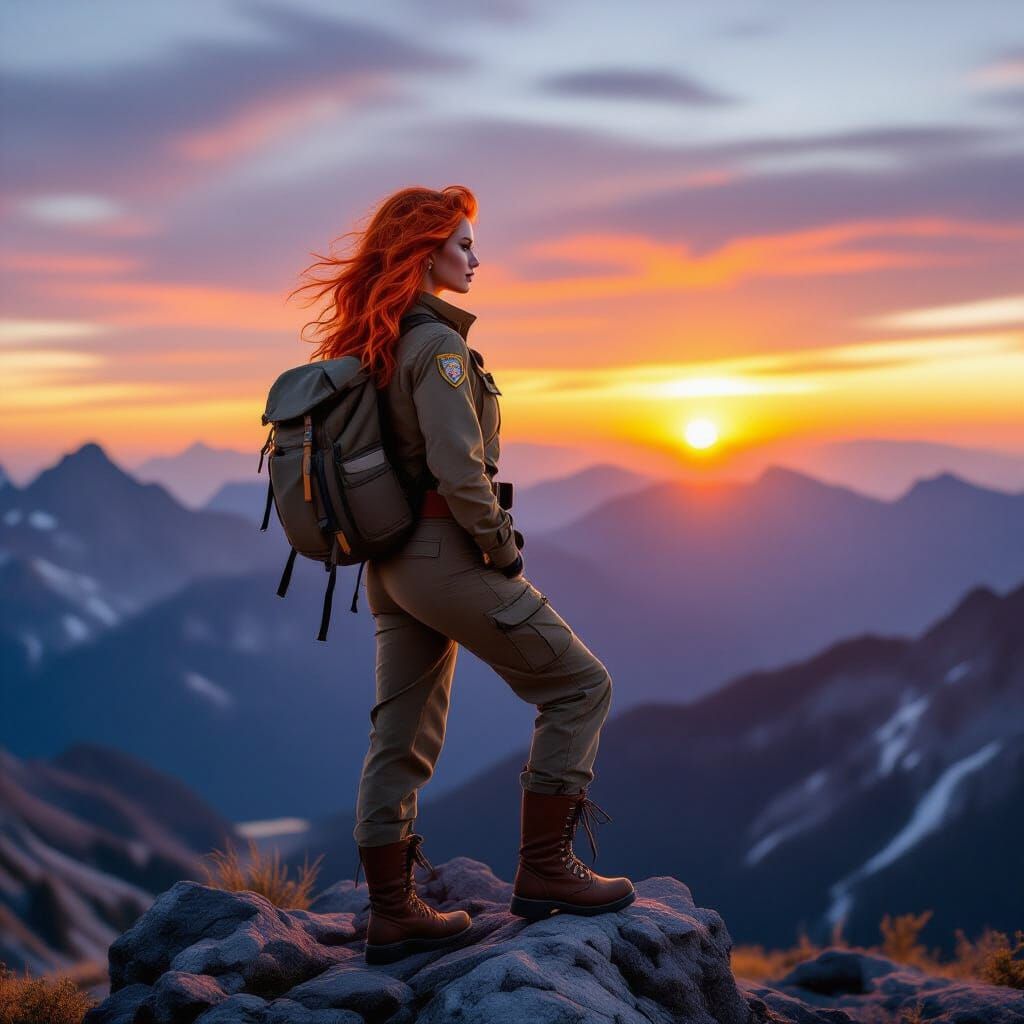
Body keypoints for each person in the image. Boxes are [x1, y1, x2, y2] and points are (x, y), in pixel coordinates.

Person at [290, 185, 635, 965]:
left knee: (400, 739)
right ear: (425, 253)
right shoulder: (439, 349)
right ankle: (546, 871)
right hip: (446, 555)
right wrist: (502, 547)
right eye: (464, 246)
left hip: (390, 566)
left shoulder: (374, 342)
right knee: (581, 686)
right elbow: (459, 468)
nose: (477, 259)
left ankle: (392, 912)